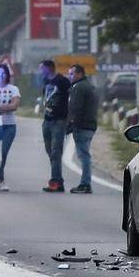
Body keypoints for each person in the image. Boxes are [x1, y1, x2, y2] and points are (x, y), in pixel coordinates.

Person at [38, 58, 72, 192]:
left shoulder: (62, 81)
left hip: (59, 120)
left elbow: (71, 97)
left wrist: (69, 118)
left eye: (42, 68)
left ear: (49, 68)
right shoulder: (46, 81)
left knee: (56, 152)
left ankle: (55, 182)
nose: (41, 71)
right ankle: (59, 180)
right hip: (47, 120)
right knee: (49, 151)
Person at [65, 63, 99, 194]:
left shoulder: (78, 88)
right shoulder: (91, 87)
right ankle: (85, 183)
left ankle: (85, 184)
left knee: (84, 155)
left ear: (79, 74)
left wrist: (70, 124)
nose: (70, 76)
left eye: (72, 73)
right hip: (91, 125)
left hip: (81, 126)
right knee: (85, 154)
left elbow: (75, 108)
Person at [0, 63, 21, 192]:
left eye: (3, 73)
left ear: (7, 75)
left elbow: (14, 105)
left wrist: (0, 108)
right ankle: (1, 181)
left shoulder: (13, 89)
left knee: (3, 152)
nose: (1, 76)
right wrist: (4, 108)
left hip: (9, 126)